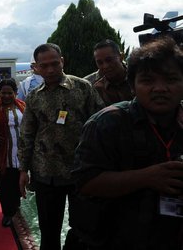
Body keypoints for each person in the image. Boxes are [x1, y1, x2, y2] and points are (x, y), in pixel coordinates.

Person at [73, 37, 183, 249]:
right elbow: (85, 182)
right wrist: (147, 177)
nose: (160, 88)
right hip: (116, 238)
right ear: (132, 85)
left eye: (170, 79)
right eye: (148, 81)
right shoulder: (106, 123)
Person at [18, 43, 104, 250]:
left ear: (62, 61)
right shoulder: (34, 96)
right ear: (36, 67)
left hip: (80, 171)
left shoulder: (82, 88)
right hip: (45, 172)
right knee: (49, 230)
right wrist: (22, 170)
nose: (50, 70)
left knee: (82, 228)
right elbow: (27, 134)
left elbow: (101, 124)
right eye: (43, 65)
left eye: (54, 64)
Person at [0, 78, 26, 228]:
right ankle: (7, 213)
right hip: (1, 151)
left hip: (19, 150)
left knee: (16, 180)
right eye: (3, 93)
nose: (6, 96)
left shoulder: (22, 106)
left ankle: (15, 203)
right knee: (4, 182)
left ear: (15, 93)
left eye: (10, 93)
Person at [83, 39, 133, 105]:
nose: (105, 66)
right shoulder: (88, 85)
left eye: (109, 60)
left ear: (121, 57)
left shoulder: (137, 74)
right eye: (100, 62)